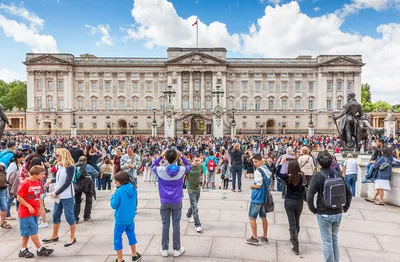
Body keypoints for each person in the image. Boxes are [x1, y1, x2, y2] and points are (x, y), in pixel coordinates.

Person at [308, 150, 352, 262]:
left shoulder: (317, 176)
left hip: (324, 213)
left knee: (327, 241)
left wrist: (314, 210)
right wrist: (345, 208)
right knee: (334, 239)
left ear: (318, 163)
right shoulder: (337, 174)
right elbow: (349, 193)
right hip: (337, 212)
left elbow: (310, 196)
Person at [151, 149, 191, 257]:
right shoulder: (181, 170)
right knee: (176, 224)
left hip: (164, 200)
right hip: (177, 200)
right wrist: (181, 156)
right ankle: (177, 249)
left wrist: (161, 156)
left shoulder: (160, 170)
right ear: (176, 158)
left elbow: (153, 165)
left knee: (165, 225)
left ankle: (164, 249)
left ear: (166, 159)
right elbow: (189, 165)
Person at [17, 165, 54, 258]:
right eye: (42, 174)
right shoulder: (25, 183)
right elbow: (19, 198)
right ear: (34, 174)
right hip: (25, 212)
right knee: (33, 231)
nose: (43, 176)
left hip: (34, 211)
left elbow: (39, 197)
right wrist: (28, 206)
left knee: (27, 232)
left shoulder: (37, 183)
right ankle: (40, 249)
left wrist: (41, 209)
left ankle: (23, 250)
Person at [43, 148, 77, 247]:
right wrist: (51, 181)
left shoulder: (70, 167)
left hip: (67, 195)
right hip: (59, 195)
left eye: (58, 155)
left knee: (69, 216)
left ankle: (72, 237)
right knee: (55, 215)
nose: (56, 157)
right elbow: (59, 179)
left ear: (63, 155)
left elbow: (67, 182)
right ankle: (54, 235)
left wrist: (56, 192)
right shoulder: (60, 166)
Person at [110, 171, 142, 262]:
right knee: (131, 235)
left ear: (121, 181)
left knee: (117, 238)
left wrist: (112, 195)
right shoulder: (133, 188)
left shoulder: (118, 191)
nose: (115, 182)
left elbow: (113, 205)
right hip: (130, 218)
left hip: (120, 219)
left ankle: (120, 259)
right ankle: (134, 255)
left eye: (116, 181)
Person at [277, 158, 304, 255]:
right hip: (299, 201)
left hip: (289, 201)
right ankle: (295, 235)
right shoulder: (301, 176)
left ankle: (295, 244)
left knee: (291, 222)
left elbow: (277, 173)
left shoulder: (287, 177)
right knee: (297, 220)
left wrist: (281, 163)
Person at [246, 154, 271, 245]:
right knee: (263, 217)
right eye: (253, 162)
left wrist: (252, 186)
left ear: (261, 160)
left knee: (252, 217)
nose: (254, 163)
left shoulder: (258, 171)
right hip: (265, 196)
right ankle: (264, 237)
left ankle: (254, 237)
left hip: (257, 197)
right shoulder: (266, 168)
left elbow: (258, 185)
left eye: (256, 161)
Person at [74, 156, 96, 223]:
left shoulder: (74, 166)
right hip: (87, 184)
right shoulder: (88, 166)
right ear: (85, 161)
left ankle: (75, 218)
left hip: (77, 185)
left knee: (77, 201)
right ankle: (86, 216)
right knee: (88, 200)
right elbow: (96, 173)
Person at [185, 153, 203, 232]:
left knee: (194, 204)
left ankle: (188, 214)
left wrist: (202, 181)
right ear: (192, 160)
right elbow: (183, 177)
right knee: (195, 207)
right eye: (196, 160)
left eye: (199, 160)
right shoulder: (188, 167)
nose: (197, 162)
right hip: (191, 189)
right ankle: (198, 225)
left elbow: (202, 174)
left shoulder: (200, 166)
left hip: (198, 188)